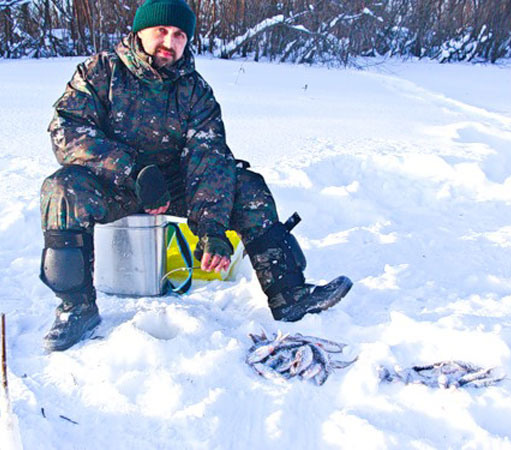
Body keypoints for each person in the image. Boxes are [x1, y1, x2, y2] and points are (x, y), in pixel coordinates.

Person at [39, 0, 353, 352]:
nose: (169, 43)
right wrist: (131, 170)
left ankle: (289, 295)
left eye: (178, 35)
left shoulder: (195, 90)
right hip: (115, 184)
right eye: (160, 31)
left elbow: (210, 156)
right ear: (140, 32)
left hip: (175, 187)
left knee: (248, 187)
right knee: (61, 189)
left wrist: (212, 228)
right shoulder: (100, 72)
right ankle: (75, 309)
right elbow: (66, 130)